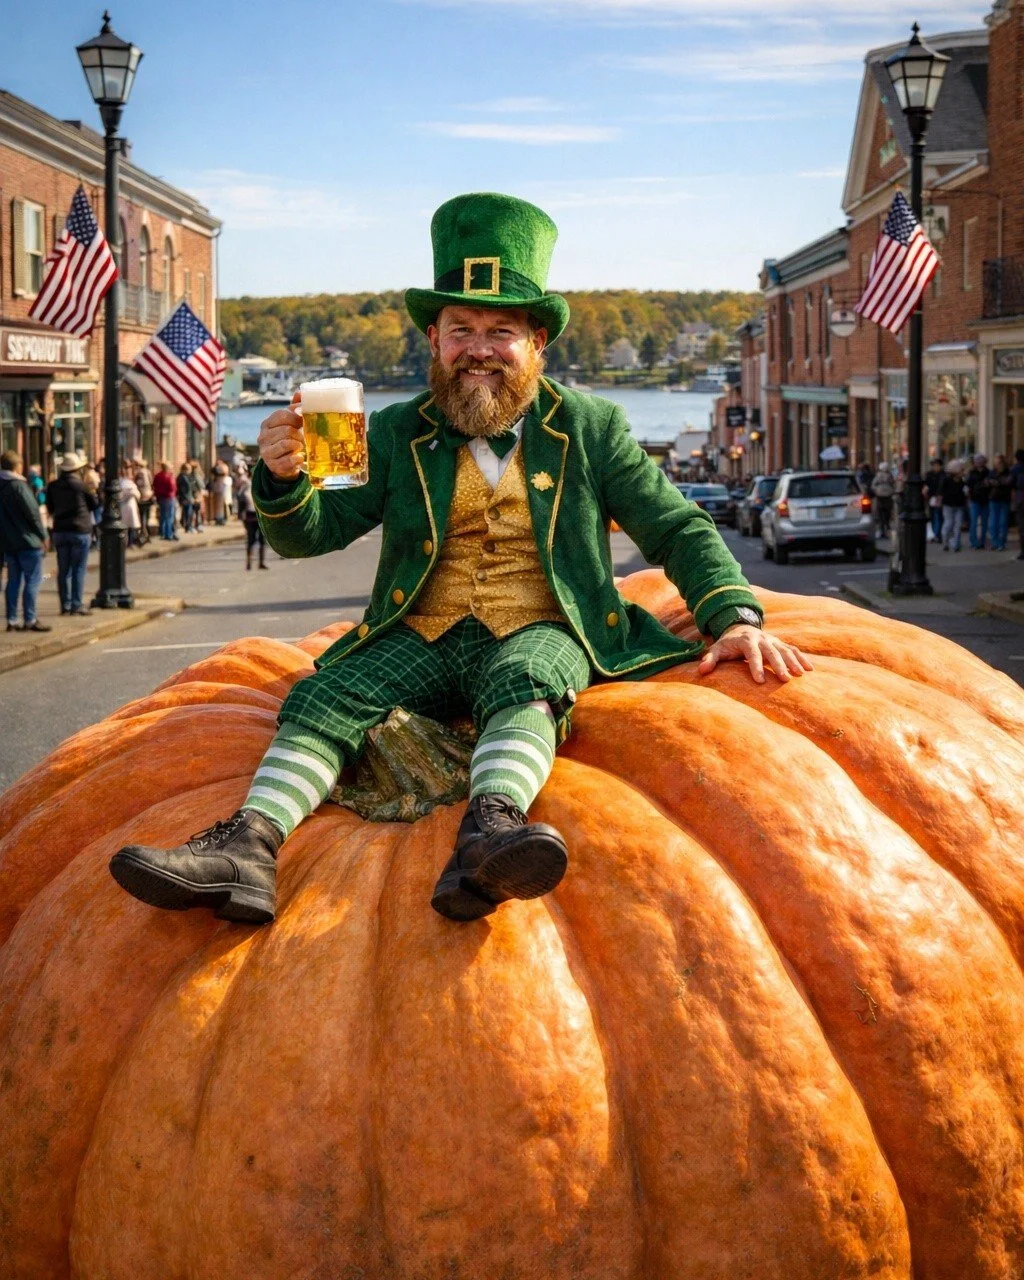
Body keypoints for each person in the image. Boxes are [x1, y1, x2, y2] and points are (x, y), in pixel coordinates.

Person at [110, 192, 811, 929]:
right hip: (424, 629)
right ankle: (246, 848)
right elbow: (314, 534)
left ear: (538, 343)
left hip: (542, 624)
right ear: (435, 342)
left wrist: (733, 614)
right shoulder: (388, 430)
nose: (478, 347)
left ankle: (491, 832)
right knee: (329, 692)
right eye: (460, 329)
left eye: (500, 330)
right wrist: (284, 482)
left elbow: (674, 525)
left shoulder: (589, 427)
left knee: (528, 675)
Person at [0, 449, 50, 633]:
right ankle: (30, 618)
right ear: (17, 466)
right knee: (33, 581)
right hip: (28, 541)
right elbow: (33, 513)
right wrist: (43, 535)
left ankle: (12, 619)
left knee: (13, 582)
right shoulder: (19, 486)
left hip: (9, 543)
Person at [46, 451, 99, 616]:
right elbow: (94, 504)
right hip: (79, 530)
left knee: (63, 570)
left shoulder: (53, 486)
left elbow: (50, 508)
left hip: (60, 530)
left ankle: (65, 604)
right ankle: (76, 604)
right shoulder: (80, 486)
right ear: (76, 469)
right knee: (78, 569)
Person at [235, 468, 267, 570]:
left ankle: (260, 563)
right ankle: (249, 562)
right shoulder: (247, 486)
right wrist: (241, 514)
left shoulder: (263, 486)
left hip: (260, 517)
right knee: (251, 539)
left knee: (261, 540)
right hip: (251, 516)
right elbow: (241, 499)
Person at [939, 458, 967, 552]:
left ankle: (956, 544)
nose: (963, 472)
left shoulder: (963, 481)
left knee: (958, 525)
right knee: (948, 523)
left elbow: (965, 492)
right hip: (948, 505)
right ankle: (945, 542)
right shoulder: (946, 480)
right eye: (961, 470)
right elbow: (941, 491)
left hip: (959, 505)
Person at [965, 452, 991, 550]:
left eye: (980, 460)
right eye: (977, 461)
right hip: (974, 500)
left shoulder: (988, 472)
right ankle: (974, 542)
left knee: (984, 522)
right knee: (974, 522)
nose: (979, 462)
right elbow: (967, 485)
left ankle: (982, 541)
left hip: (985, 500)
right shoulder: (971, 473)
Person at [118, 461, 142, 547]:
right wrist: (128, 493)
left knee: (131, 526)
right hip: (123, 505)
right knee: (124, 526)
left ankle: (130, 542)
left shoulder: (131, 482)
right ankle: (124, 542)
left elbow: (138, 494)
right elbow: (119, 495)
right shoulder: (120, 481)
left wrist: (132, 493)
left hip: (131, 505)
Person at [153, 461, 177, 540]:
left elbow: (154, 486)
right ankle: (168, 534)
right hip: (169, 497)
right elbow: (172, 487)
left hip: (160, 497)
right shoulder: (169, 476)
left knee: (162, 516)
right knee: (169, 516)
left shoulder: (157, 476)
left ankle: (162, 533)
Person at [871, 462, 896, 539]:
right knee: (887, 514)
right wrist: (891, 490)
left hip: (880, 497)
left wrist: (877, 490)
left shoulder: (878, 476)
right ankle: (887, 529)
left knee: (881, 514)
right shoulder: (890, 476)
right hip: (888, 497)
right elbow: (893, 484)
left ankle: (882, 530)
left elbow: (873, 485)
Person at [924, 457, 945, 542]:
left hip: (940, 497)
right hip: (931, 497)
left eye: (937, 465)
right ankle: (934, 534)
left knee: (940, 516)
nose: (935, 467)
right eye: (934, 465)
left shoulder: (943, 475)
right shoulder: (929, 475)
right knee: (933, 516)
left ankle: (938, 534)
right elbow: (926, 486)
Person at [134, 459, 154, 545]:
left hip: (141, 496)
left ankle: (144, 533)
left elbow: (136, 484)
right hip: (148, 495)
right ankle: (146, 534)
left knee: (142, 516)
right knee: (146, 515)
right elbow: (151, 482)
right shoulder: (147, 472)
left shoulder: (138, 473)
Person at [1012, 447, 1024, 561]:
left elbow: (1010, 483)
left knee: (1022, 525)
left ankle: (1023, 552)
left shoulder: (1015, 469)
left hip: (1020, 498)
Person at [175, 462, 192, 534]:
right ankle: (187, 527)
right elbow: (182, 489)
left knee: (187, 513)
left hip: (186, 497)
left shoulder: (184, 476)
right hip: (185, 498)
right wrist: (186, 497)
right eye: (189, 469)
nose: (190, 470)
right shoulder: (182, 477)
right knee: (187, 513)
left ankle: (187, 526)